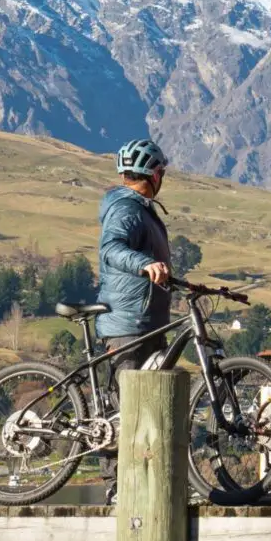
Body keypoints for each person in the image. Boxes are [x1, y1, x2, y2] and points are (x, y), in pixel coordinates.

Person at [97, 137, 174, 388]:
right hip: (129, 324)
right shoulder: (127, 210)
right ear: (154, 174)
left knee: (151, 406)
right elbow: (111, 248)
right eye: (161, 172)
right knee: (128, 409)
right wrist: (145, 264)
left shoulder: (141, 209)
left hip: (148, 322)